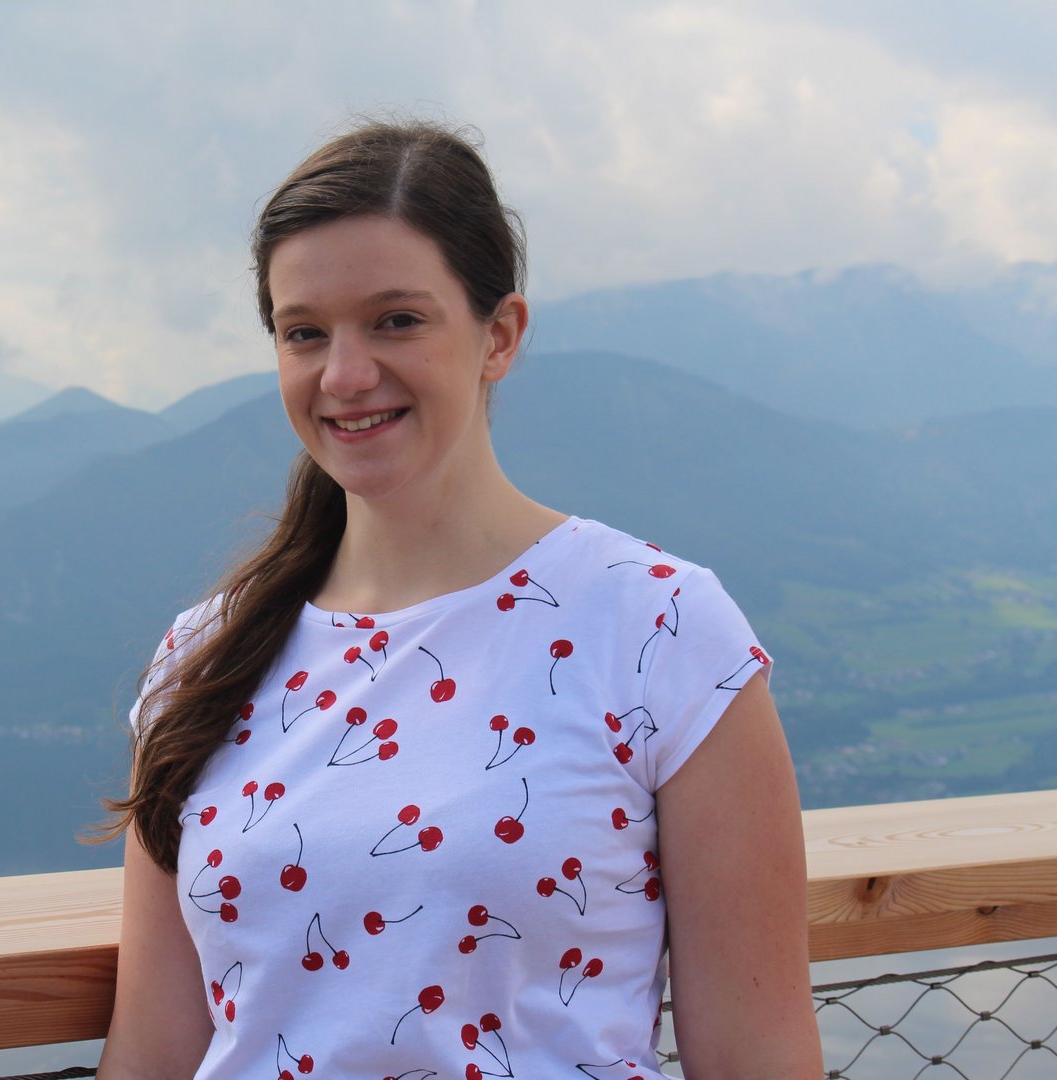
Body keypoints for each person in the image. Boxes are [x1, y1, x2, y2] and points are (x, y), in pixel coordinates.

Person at [98, 119, 823, 1080]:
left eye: (396, 320)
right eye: (304, 333)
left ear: (500, 336)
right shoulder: (203, 657)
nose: (344, 375)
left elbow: (759, 1057)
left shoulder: (659, 628)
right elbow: (153, 1050)